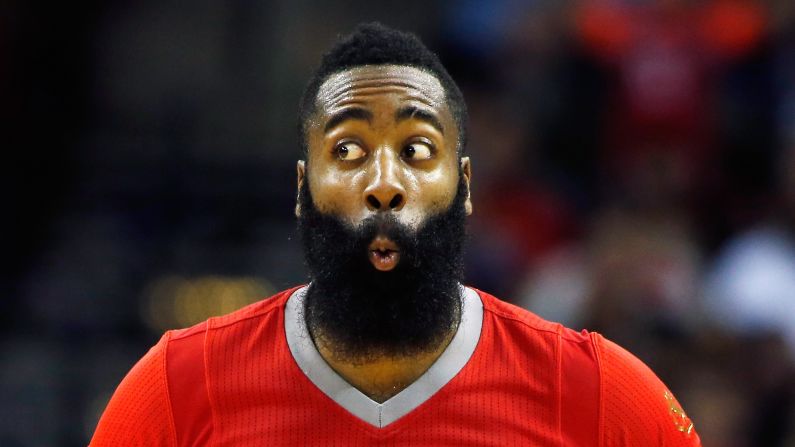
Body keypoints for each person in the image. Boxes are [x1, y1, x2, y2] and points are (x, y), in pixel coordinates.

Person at [90, 23, 701, 446]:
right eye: (349, 148)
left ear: (464, 185)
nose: (385, 183)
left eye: (416, 149)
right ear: (302, 189)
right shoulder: (175, 389)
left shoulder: (601, 394)